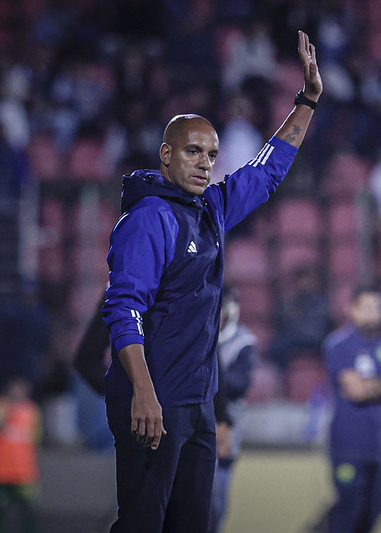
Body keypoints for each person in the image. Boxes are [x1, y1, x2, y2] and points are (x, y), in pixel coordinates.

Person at [100, 31, 322, 532]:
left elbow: (266, 172)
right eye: (193, 152)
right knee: (141, 525)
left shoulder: (210, 208)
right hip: (152, 400)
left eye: (211, 154)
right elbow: (123, 309)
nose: (205, 163)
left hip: (196, 402)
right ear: (166, 154)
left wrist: (306, 101)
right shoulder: (149, 219)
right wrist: (143, 392)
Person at [323, 285, 381, 533]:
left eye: (377, 307)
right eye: (365, 307)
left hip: (377, 446)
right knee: (347, 510)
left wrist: (372, 385)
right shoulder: (339, 344)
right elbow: (356, 392)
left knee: (372, 514)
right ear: (350, 309)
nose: (372, 313)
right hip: (348, 445)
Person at [209, 287, 256, 533]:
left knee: (217, 502)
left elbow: (240, 385)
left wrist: (209, 374)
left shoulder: (243, 342)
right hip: (196, 424)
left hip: (225, 429)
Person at [0, 377, 42, 533]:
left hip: (24, 472)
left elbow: (36, 437)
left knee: (28, 510)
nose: (18, 391)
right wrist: (10, 409)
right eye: (16, 387)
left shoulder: (31, 409)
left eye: (22, 388)